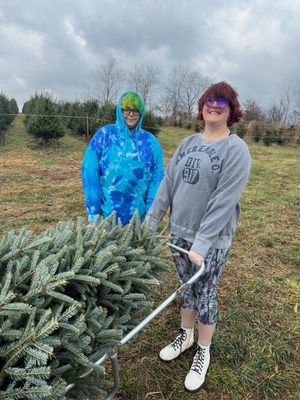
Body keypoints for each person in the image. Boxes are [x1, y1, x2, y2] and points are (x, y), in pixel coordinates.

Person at [147, 81, 251, 392]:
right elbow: (167, 185)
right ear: (202, 107)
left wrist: (202, 245)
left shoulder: (236, 149)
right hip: (178, 234)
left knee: (206, 293)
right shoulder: (187, 143)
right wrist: (150, 225)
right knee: (186, 289)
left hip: (210, 244)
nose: (215, 105)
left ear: (231, 111)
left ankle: (203, 351)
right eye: (210, 100)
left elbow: (224, 201)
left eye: (223, 101)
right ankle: (185, 334)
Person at [82, 91, 164, 224]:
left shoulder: (150, 143)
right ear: (120, 111)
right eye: (127, 109)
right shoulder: (105, 135)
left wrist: (152, 214)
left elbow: (157, 179)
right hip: (107, 218)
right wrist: (93, 210)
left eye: (135, 110)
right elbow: (90, 172)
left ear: (141, 113)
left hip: (138, 220)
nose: (131, 114)